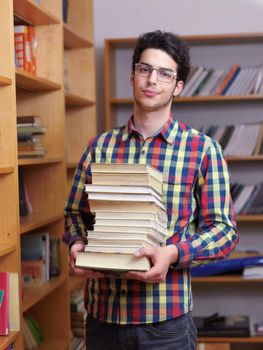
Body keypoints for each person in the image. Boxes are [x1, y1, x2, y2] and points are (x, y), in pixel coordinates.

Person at [63, 30, 238, 350]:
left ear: (178, 86)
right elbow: (75, 213)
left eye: (164, 73)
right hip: (103, 319)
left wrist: (172, 254)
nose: (151, 80)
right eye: (144, 69)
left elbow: (225, 232)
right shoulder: (98, 147)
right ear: (132, 76)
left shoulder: (202, 149)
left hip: (166, 324)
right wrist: (75, 245)